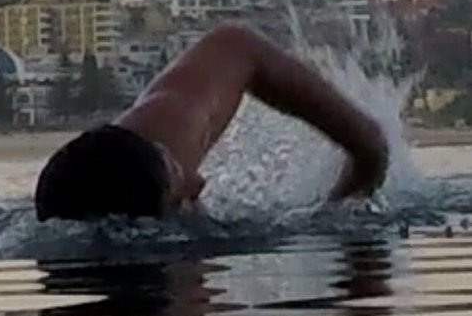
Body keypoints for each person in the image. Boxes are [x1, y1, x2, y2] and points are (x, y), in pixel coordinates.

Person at [35, 23, 389, 222]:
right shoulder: (181, 313)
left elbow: (237, 46)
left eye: (177, 167)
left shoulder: (156, 139)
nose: (199, 183)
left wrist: (366, 149)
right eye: (180, 193)